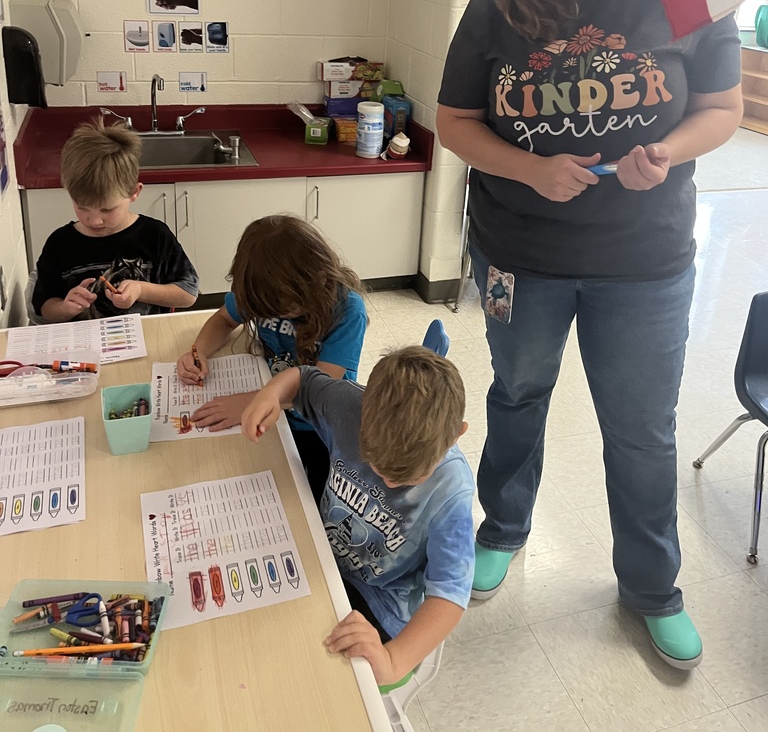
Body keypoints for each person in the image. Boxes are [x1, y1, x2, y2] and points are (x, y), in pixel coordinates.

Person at [436, 0, 743, 670]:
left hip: (643, 258)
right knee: (518, 393)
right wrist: (530, 170)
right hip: (520, 251)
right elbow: (455, 119)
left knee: (642, 428)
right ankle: (502, 527)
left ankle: (651, 588)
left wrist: (667, 151)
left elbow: (721, 108)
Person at [240, 346, 475, 686]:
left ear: (457, 436)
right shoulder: (348, 405)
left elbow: (450, 593)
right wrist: (272, 393)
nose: (390, 482)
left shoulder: (452, 491)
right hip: (321, 558)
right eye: (379, 467)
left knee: (301, 675)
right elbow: (303, 381)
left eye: (410, 477)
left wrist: (393, 659)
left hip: (378, 602)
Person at [178, 215, 368, 502]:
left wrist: (255, 399)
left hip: (320, 427)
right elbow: (223, 319)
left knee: (313, 503)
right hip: (273, 417)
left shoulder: (347, 312)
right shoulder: (266, 292)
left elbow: (320, 386)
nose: (273, 315)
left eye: (284, 310)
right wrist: (199, 351)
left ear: (316, 281)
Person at [32, 118, 199, 322]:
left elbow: (188, 294)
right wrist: (65, 308)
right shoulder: (59, 243)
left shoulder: (154, 235)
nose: (94, 220)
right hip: (84, 345)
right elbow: (44, 306)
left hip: (145, 339)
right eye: (81, 207)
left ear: (134, 192)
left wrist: (141, 290)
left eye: (106, 209)